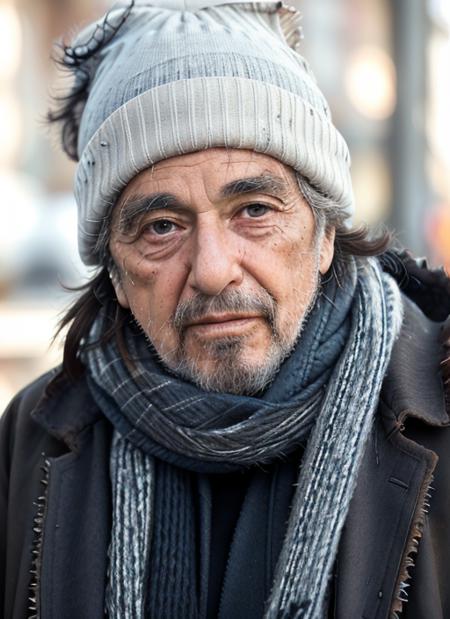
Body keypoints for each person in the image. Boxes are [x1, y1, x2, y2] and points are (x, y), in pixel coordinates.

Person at [1, 1, 450, 617]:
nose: (213, 270)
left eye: (255, 211)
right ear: (116, 272)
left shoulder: (440, 409)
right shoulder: (36, 437)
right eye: (161, 227)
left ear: (323, 234)